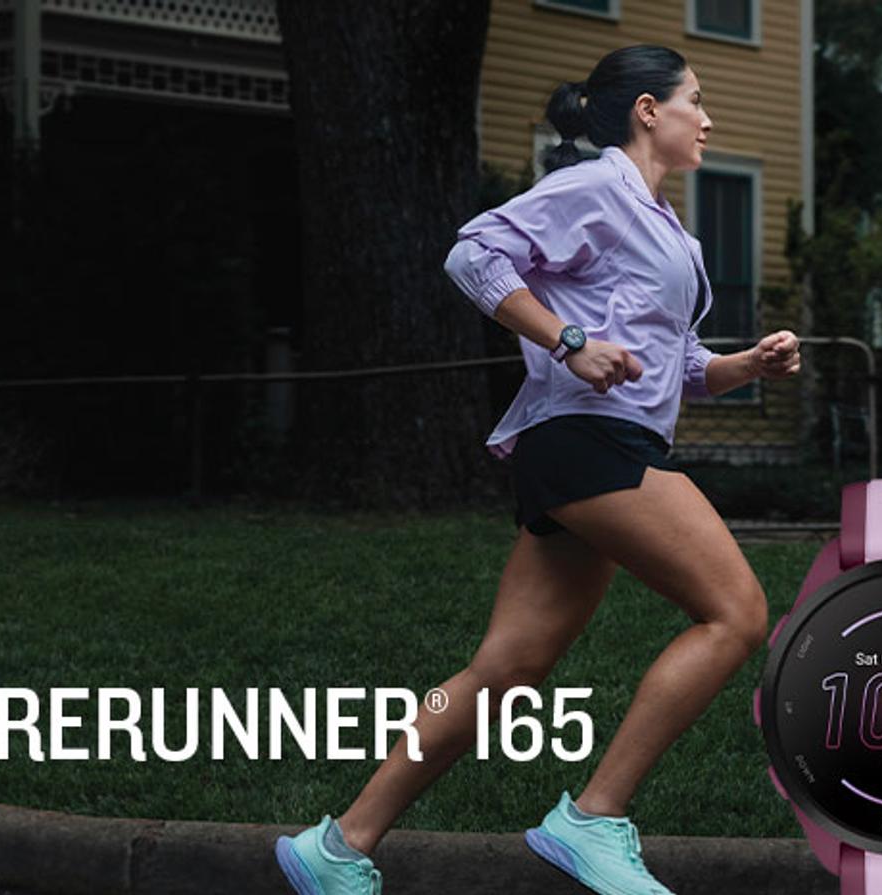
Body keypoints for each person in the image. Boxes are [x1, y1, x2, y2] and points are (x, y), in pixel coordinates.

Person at [275, 44, 801, 895]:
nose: (706, 120)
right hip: (593, 441)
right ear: (645, 111)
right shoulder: (594, 187)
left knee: (504, 667)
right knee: (737, 613)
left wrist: (748, 364)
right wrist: (567, 339)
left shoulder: (657, 217)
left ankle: (337, 844)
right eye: (694, 101)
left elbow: (672, 361)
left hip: (585, 445)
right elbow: (473, 256)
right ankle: (593, 818)